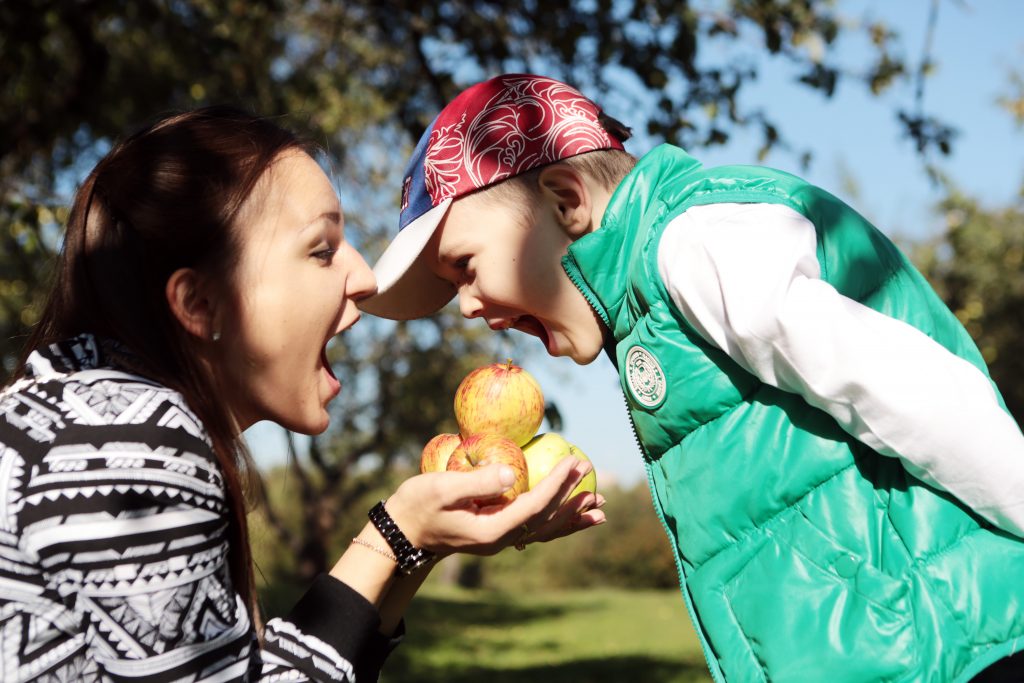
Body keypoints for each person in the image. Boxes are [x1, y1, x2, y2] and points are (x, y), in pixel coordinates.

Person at [359, 73, 1024, 682]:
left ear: (565, 201)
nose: (471, 309)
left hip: (959, 649)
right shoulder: (649, 307)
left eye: (466, 266)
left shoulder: (697, 245)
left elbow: (920, 394)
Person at [0, 105, 605, 682]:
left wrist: (413, 543)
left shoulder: (84, 415)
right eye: (322, 250)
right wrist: (397, 533)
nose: (365, 278)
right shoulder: (131, 449)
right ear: (199, 303)